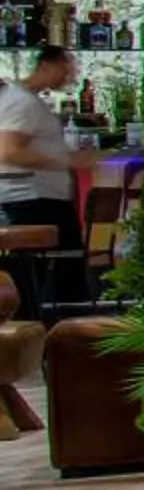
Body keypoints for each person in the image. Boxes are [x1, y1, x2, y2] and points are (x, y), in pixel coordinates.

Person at [0, 45, 91, 319]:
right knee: (55, 277)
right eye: (66, 69)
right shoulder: (21, 102)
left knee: (60, 276)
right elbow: (9, 150)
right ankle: (54, 338)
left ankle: (54, 336)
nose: (70, 76)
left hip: (40, 199)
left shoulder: (29, 100)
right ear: (46, 67)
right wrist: (66, 161)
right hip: (31, 201)